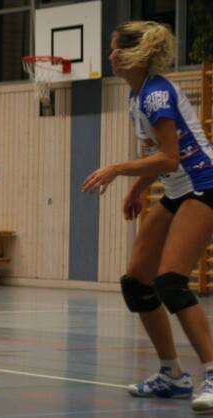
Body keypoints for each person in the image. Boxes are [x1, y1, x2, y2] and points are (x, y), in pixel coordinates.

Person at [82, 21, 213, 413]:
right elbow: (156, 156)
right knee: (137, 283)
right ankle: (172, 375)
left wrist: (117, 170)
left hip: (204, 185)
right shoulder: (137, 94)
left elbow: (171, 157)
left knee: (171, 282)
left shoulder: (156, 95)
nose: (109, 56)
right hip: (178, 190)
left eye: (113, 49)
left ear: (129, 55)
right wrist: (138, 191)